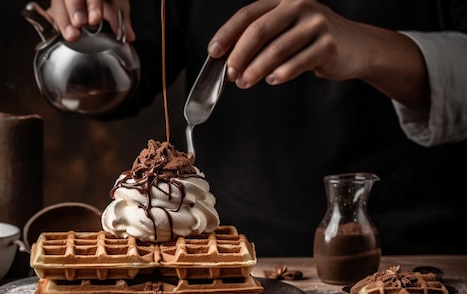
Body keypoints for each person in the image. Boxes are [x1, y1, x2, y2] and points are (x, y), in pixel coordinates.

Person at [45, 0, 467, 256]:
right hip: (240, 252)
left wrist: (373, 48)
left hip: (423, 252)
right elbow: (122, 82)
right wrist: (82, 37)